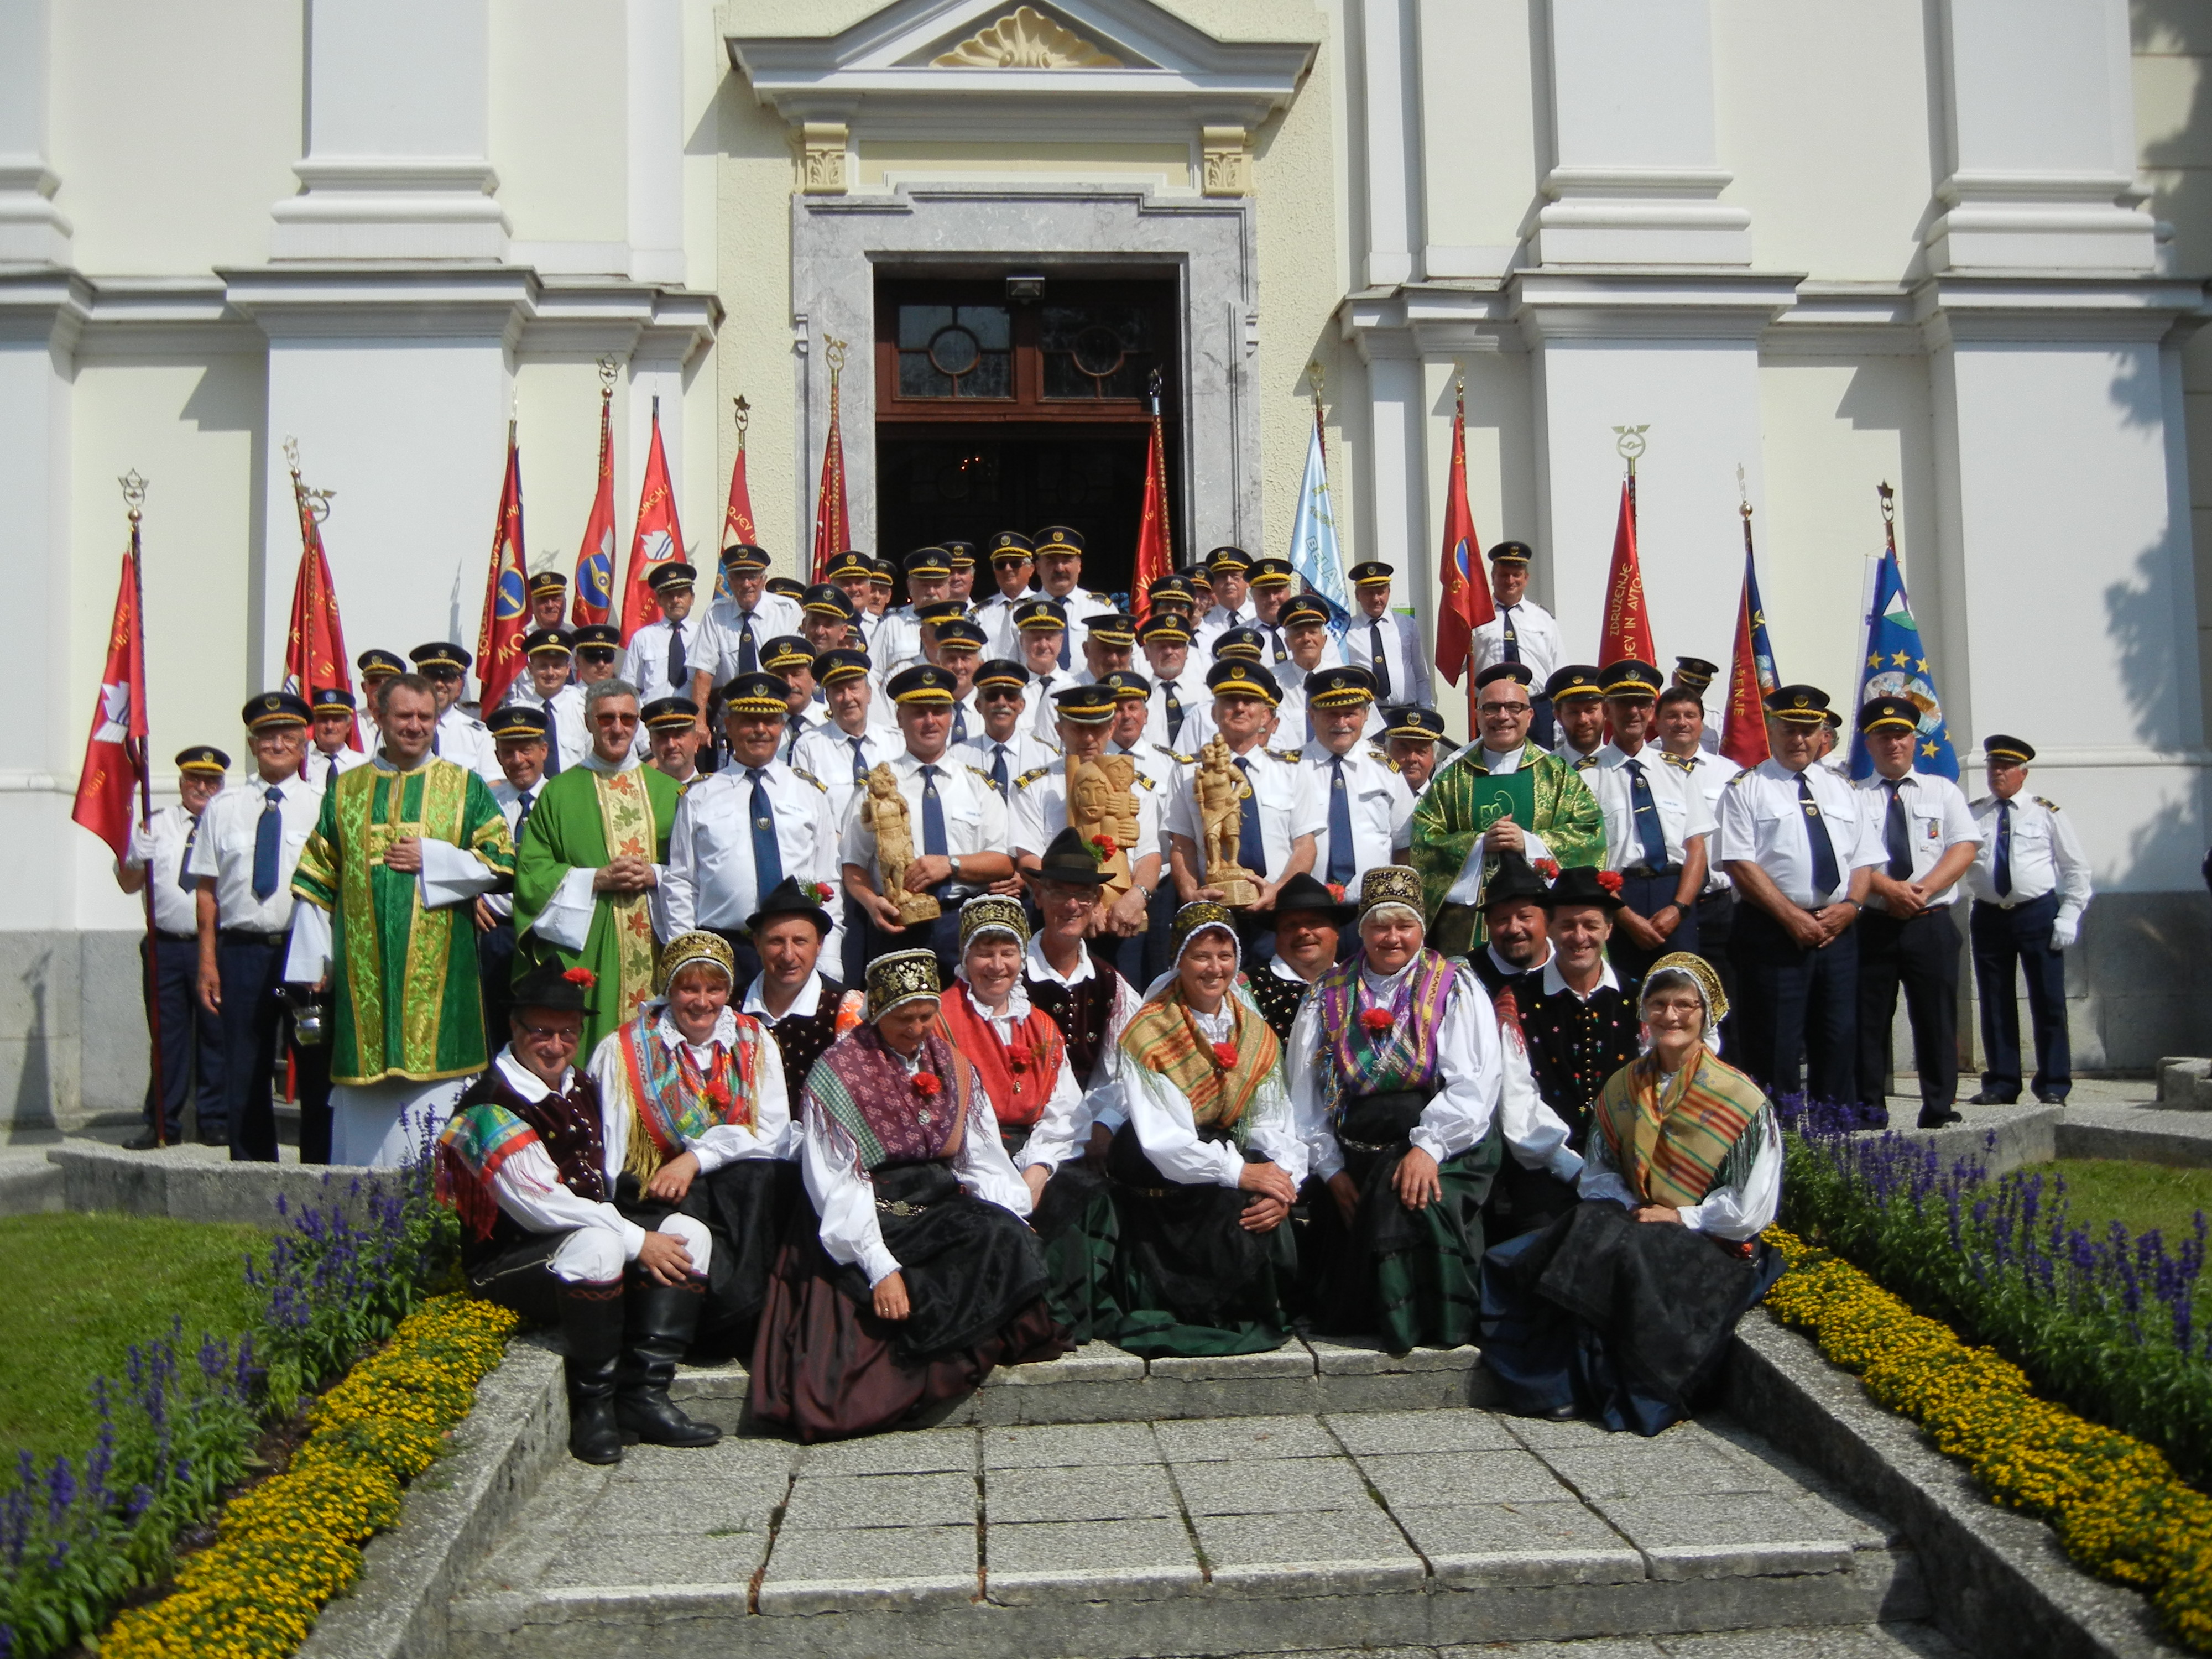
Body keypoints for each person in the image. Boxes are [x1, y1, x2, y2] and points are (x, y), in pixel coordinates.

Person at [749, 950, 1070, 1442]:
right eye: (905, 1019)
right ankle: (917, 1342)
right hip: (865, 1203)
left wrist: (1009, 1210)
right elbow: (835, 1184)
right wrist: (881, 1269)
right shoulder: (838, 1074)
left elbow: (980, 1155)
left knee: (1004, 1235)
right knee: (874, 1286)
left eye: (926, 1016)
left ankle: (954, 1327)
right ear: (879, 1013)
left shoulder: (953, 1065)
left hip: (934, 1195)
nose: (918, 1029)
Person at [1479, 953, 1783, 1436]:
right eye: (1659, 1004)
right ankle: (1564, 1383)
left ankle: (1640, 1390)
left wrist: (1681, 1217)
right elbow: (1599, 1171)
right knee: (1584, 1231)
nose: (1671, 1016)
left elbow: (1752, 1206)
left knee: (1628, 1254)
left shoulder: (1741, 1099)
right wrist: (1632, 1205)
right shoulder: (1625, 1084)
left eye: (1684, 1005)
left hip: (1712, 1233)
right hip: (1639, 1214)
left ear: (1706, 1014)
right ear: (1644, 1012)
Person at [436, 963, 723, 1464]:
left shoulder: (580, 1085)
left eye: (568, 1033)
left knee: (689, 1233)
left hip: (585, 1241)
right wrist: (637, 1240)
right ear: (515, 1029)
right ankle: (593, 1409)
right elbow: (541, 1207)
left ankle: (645, 1396)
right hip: (510, 1262)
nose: (556, 1046)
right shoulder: (490, 1104)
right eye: (541, 1032)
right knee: (601, 1244)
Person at [288, 672, 514, 1166]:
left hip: (442, 987)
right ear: (379, 717)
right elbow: (317, 876)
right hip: (361, 980)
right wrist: (311, 965)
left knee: (436, 1138)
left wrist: (433, 857)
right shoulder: (347, 790)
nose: (415, 726)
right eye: (404, 716)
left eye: (425, 717)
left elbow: (501, 862)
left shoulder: (465, 787)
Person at [1290, 867, 1504, 1349]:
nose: (1392, 938)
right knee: (1357, 1205)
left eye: (1404, 926)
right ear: (1362, 930)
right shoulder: (1327, 993)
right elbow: (1305, 1096)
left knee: (1416, 1200)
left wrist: (1428, 1149)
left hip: (1449, 1142)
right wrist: (1331, 1171)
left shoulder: (1454, 986)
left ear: (1421, 929)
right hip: (1355, 1148)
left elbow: (1474, 1084)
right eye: (1379, 926)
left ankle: (1429, 1323)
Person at [1105, 902, 1306, 1356]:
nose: (1215, 968)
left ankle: (1250, 1305)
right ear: (1179, 960)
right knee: (1233, 1195)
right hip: (1166, 1168)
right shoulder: (1148, 1031)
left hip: (1220, 1153)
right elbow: (1164, 1140)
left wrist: (1281, 1182)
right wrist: (1241, 1173)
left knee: (1261, 1193)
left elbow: (1273, 1120)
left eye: (1225, 955)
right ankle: (1202, 1308)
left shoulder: (1254, 1031)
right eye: (1201, 956)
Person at [586, 930, 793, 1359]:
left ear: (729, 991)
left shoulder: (754, 1041)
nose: (702, 1002)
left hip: (732, 1185)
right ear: (669, 990)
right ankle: (692, 1330)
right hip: (655, 1190)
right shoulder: (624, 1050)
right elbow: (609, 1151)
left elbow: (772, 1137)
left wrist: (697, 1158)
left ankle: (741, 1321)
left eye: (714, 989)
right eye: (689, 989)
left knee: (764, 1180)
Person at [938, 897, 1119, 1342]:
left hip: (1031, 1148)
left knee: (1087, 1195)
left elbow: (1065, 1111)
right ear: (965, 957)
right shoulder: (940, 1020)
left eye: (1007, 952)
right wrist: (1009, 1183)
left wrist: (1037, 1171)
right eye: (985, 953)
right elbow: (948, 1116)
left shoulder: (1039, 1024)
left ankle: (1063, 1317)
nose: (997, 965)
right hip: (966, 1154)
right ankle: (1014, 1319)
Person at [1715, 686, 1882, 1104]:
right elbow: (1739, 863)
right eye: (1789, 729)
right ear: (1772, 731)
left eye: (1808, 730)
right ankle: (1781, 1132)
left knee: (1838, 1035)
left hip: (1838, 931)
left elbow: (1864, 858)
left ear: (1822, 734)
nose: (1799, 740)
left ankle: (1833, 1130)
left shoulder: (1843, 788)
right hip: (1773, 932)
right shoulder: (1747, 788)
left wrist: (1851, 906)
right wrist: (1792, 917)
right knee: (1775, 1041)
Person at [513, 679, 682, 1056]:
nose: (617, 728)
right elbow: (531, 875)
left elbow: (695, 872)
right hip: (591, 949)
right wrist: (594, 879)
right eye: (606, 719)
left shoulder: (670, 792)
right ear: (588, 722)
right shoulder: (558, 793)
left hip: (656, 948)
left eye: (627, 718)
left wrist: (655, 874)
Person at [189, 692, 324, 1162]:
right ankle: (251, 1168)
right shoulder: (223, 808)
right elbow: (206, 891)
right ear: (252, 744)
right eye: (267, 736)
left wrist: (329, 958)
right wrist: (208, 962)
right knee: (244, 1066)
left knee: (315, 1064)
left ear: (304, 743)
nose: (277, 744)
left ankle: (319, 1170)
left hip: (304, 952)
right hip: (241, 953)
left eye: (288, 735)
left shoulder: (323, 805)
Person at [656, 670, 841, 987]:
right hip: (723, 948)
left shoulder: (809, 793)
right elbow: (682, 882)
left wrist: (829, 957)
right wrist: (689, 955)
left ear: (782, 725)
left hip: (795, 950)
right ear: (729, 725)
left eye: (770, 720)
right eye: (749, 720)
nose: (760, 730)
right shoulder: (700, 796)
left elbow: (828, 880)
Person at [1409, 662, 1604, 957]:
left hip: (1541, 918)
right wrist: (1478, 844)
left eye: (1514, 708)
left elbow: (1590, 834)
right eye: (1491, 708)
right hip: (1466, 924)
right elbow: (1423, 841)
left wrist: (1528, 843)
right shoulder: (1452, 777)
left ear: (1530, 716)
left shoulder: (1557, 774)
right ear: (1478, 715)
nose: (1503, 716)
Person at [1854, 696, 1979, 1129]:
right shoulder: (1854, 796)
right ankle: (1869, 1109)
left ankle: (1939, 1107)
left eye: (1901, 735)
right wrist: (1888, 888)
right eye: (1883, 737)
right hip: (1873, 923)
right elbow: (1847, 855)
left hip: (1931, 921)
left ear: (1914, 740)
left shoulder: (1942, 791)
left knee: (1937, 1017)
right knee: (1868, 1020)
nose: (1893, 744)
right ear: (1869, 744)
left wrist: (1922, 891)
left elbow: (1964, 846)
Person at [841, 663, 1015, 970]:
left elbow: (1002, 861)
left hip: (963, 923)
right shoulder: (878, 786)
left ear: (951, 717)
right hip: (898, 923)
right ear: (900, 718)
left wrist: (950, 865)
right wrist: (871, 902)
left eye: (939, 711)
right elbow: (853, 863)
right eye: (919, 712)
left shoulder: (976, 784)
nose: (930, 721)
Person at [1500, 864, 1640, 1239]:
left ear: (1609, 929)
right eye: (1567, 926)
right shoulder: (1518, 1002)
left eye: (1591, 925)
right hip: (1548, 1165)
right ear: (1549, 928)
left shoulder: (1641, 999)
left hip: (1631, 1165)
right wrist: (1576, 1170)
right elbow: (1518, 1102)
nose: (1579, 937)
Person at [1964, 734, 2092, 1107]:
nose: (1997, 773)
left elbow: (2075, 867)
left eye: (2006, 767)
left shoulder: (2046, 812)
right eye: (1993, 766)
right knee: (1994, 1000)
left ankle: (2054, 1083)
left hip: (2036, 913)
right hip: (1989, 915)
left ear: (2023, 773)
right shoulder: (1974, 814)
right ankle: (2002, 1083)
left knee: (2048, 1001)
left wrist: (2069, 914)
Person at [1165, 662, 1323, 960]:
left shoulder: (1290, 770)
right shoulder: (1187, 772)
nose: (1239, 708)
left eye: (1249, 701)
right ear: (1214, 713)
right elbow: (1182, 844)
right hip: (1213, 913)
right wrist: (1191, 895)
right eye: (1229, 701)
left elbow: (1305, 846)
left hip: (1277, 915)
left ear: (1265, 715)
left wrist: (1278, 890)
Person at [118, 744, 230, 1149]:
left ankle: (215, 1120)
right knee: (167, 1038)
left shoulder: (229, 824)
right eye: (195, 779)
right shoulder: (156, 824)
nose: (203, 788)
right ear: (182, 783)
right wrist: (135, 858)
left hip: (216, 947)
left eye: (212, 781)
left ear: (221, 786)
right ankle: (162, 1123)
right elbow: (128, 884)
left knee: (217, 1035)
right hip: (165, 947)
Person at [1011, 683, 1162, 984]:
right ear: (1060, 729)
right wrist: (1083, 902)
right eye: (1078, 728)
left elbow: (1149, 854)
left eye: (1098, 728)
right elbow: (1028, 859)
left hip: (1123, 918)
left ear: (1112, 728)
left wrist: (1137, 897)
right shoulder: (1034, 787)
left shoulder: (1136, 787)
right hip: (1060, 918)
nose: (1089, 738)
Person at [1590, 660, 1712, 983]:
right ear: (1607, 710)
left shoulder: (1677, 770)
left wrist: (1678, 908)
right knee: (1622, 994)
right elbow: (1586, 858)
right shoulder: (1587, 776)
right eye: (1624, 703)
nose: (1633, 712)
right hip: (1616, 899)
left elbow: (1696, 848)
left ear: (1652, 711)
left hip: (1674, 895)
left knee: (1682, 992)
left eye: (1642, 703)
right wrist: (1625, 917)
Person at [737, 877, 865, 1119]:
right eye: (776, 941)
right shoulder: (731, 1007)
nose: (788, 955)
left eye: (800, 941)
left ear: (820, 944)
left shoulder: (846, 1007)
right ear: (757, 943)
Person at [1298, 665, 1415, 908]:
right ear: (1312, 716)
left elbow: (1404, 845)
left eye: (1350, 713)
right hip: (1309, 908)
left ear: (1366, 715)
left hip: (1374, 907)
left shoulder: (1386, 770)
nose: (1341, 723)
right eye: (1331, 714)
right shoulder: (1290, 771)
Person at [1656, 684, 1737, 1005]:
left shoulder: (1729, 773)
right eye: (1672, 716)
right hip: (1665, 901)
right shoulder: (1645, 769)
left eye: (1690, 715)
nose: (1682, 723)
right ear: (1656, 722)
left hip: (1718, 904)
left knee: (1723, 996)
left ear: (1702, 724)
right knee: (1670, 993)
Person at [478, 704, 551, 1055]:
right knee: (497, 1027)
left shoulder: (561, 799)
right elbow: (465, 858)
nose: (518, 760)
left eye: (526, 749)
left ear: (544, 750)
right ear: (497, 756)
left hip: (546, 932)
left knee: (546, 1025)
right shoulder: (485, 803)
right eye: (508, 751)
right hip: (498, 931)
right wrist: (470, 897)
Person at [1470, 542, 1561, 748]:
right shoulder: (1475, 616)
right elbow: (1456, 665)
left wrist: (1559, 716)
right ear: (1493, 577)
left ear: (1526, 578)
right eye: (1503, 575)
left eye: (1517, 575)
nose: (1510, 580)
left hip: (1537, 707)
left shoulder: (1543, 618)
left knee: (1540, 764)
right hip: (1491, 709)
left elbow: (1558, 667)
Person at [1244, 870, 1353, 1043]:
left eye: (1314, 922)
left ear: (1336, 930)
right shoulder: (1248, 987)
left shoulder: (1355, 983)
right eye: (1290, 925)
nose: (1302, 932)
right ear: (1277, 936)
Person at [951, 658, 1056, 799]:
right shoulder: (958, 756)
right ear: (978, 706)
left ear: (1022, 705)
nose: (1001, 703)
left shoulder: (1045, 756)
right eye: (992, 696)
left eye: (1010, 696)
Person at [623, 563, 711, 718]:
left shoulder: (704, 634)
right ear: (659, 600)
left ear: (692, 599)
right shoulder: (643, 638)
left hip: (691, 719)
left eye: (681, 594)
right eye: (669, 595)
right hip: (652, 720)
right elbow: (630, 688)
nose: (676, 600)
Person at [408, 641, 503, 785]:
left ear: (459, 684)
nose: (439, 684)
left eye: (447, 678)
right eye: (432, 677)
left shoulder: (479, 735)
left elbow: (493, 785)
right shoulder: (401, 728)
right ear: (419, 679)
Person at [1468, 851, 1554, 1000]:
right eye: (1503, 919)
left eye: (1524, 917)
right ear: (1488, 922)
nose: (1514, 929)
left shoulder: (1571, 966)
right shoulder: (1466, 977)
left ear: (1548, 918)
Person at [1348, 561, 1431, 712]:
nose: (1376, 599)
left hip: (1406, 712)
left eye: (1381, 592)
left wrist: (1426, 709)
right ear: (1357, 595)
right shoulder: (1348, 630)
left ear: (1389, 592)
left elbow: (1420, 674)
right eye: (1369, 593)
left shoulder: (1406, 625)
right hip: (1368, 714)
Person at [1030, 525, 1115, 667]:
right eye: (1051, 561)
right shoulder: (1024, 609)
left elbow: (1129, 656)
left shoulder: (1099, 609)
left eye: (1067, 560)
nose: (1059, 568)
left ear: (1079, 565)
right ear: (1038, 567)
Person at [504, 629, 588, 774]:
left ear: (568, 669)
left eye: (557, 666)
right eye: (543, 666)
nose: (550, 673)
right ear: (530, 669)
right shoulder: (516, 713)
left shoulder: (583, 709)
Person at [870, 546, 956, 680]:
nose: (931, 592)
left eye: (938, 585)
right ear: (910, 585)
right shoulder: (892, 624)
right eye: (925, 585)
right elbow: (872, 677)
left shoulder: (961, 623)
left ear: (948, 587)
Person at [1012, 598, 1080, 744]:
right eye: (1036, 638)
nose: (1043, 645)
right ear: (1022, 641)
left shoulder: (1076, 687)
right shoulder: (1011, 691)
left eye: (1049, 638)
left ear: (1061, 642)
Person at [1136, 611, 1203, 754]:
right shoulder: (1137, 700)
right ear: (1147, 653)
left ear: (1186, 652)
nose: (1169, 652)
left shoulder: (1205, 695)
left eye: (1176, 646)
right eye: (1161, 646)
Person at [760, 637, 827, 760]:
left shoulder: (833, 722)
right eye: (781, 676)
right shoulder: (761, 728)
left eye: (797, 674)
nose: (790, 684)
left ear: (813, 679)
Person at [973, 533, 1036, 660]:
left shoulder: (1042, 604)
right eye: (1000, 565)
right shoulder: (981, 613)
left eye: (1015, 564)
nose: (1007, 569)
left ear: (1031, 569)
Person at [1192, 546, 1257, 660]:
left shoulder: (1259, 616)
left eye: (1235, 577)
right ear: (1213, 585)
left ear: (1248, 582)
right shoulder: (1205, 623)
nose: (1228, 581)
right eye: (1222, 578)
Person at [304, 688, 368, 791]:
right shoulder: (303, 766)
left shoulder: (364, 765)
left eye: (337, 720)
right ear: (314, 725)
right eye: (323, 720)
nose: (330, 726)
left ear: (348, 726)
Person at [1546, 666, 1606, 771]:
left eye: (1590, 710)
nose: (1583, 720)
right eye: (1573, 712)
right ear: (1558, 716)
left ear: (1606, 711)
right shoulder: (1545, 770)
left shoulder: (1624, 768)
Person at [1381, 707, 1448, 800]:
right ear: (1386, 752)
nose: (1412, 758)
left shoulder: (1444, 803)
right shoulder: (1368, 798)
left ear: (1434, 758)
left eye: (1421, 751)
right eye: (1403, 749)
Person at [643, 695, 705, 788]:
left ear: (696, 742)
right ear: (652, 747)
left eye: (678, 736)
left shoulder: (714, 792)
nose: (671, 745)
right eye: (663, 738)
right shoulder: (643, 793)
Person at [1247, 557, 1296, 669]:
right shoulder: (1240, 636)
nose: (1272, 599)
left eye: (1278, 591)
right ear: (1253, 596)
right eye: (1264, 594)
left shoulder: (1313, 632)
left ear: (1289, 592)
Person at [527, 569, 570, 634]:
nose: (550, 605)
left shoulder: (577, 636)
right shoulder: (524, 638)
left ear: (565, 604)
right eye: (542, 600)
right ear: (531, 607)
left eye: (556, 599)